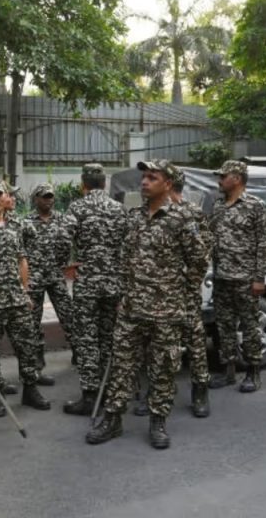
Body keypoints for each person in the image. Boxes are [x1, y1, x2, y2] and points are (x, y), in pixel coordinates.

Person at [85, 159, 205, 449]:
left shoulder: (181, 219)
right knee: (122, 365)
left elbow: (198, 262)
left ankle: (158, 421)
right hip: (131, 309)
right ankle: (112, 419)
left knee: (163, 368)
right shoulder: (134, 216)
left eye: (152, 177)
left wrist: (180, 297)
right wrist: (124, 295)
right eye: (144, 177)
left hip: (166, 311)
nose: (144, 182)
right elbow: (126, 259)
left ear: (167, 183)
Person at [0, 178, 51, 416]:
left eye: (0, 194)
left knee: (26, 345)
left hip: (16, 298)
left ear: (5, 197)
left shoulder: (14, 225)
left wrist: (25, 292)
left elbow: (22, 259)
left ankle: (30, 389)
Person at [62, 163, 127, 415]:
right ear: (104, 184)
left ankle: (90, 397)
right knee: (109, 337)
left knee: (87, 339)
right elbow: (129, 245)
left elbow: (62, 239)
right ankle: (110, 391)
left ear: (83, 185)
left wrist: (66, 264)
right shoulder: (119, 209)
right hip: (114, 284)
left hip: (88, 285)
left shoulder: (77, 207)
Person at [208, 160, 266, 393]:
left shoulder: (256, 206)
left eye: (223, 176)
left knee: (250, 325)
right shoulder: (218, 205)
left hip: (245, 278)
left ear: (236, 178)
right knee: (224, 326)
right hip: (222, 276)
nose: (219, 180)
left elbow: (264, 242)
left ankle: (253, 372)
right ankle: (229, 371)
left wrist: (260, 277)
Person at [168, 172, 213, 418]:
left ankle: (200, 391)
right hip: (158, 295)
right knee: (161, 345)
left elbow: (203, 253)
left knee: (194, 342)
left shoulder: (192, 212)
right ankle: (161, 392)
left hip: (185, 294)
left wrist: (189, 284)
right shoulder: (152, 212)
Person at [22, 183, 73, 386]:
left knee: (70, 317)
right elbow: (21, 252)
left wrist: (61, 264)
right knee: (32, 324)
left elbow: (69, 244)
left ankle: (81, 358)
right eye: (44, 197)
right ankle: (35, 369)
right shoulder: (26, 222)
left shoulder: (62, 219)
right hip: (34, 279)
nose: (49, 200)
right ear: (36, 199)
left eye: (51, 196)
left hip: (56, 276)